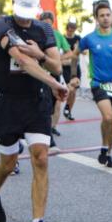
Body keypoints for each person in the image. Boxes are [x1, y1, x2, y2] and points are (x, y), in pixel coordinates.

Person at [0, 0, 68, 222]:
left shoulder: (44, 30)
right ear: (13, 4)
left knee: (40, 157)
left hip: (35, 103)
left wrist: (40, 53)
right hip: (5, 104)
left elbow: (55, 64)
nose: (24, 18)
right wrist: (55, 84)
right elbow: (23, 61)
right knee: (8, 164)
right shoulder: (2, 26)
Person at [75, 1, 112, 168]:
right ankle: (104, 147)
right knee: (107, 116)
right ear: (96, 18)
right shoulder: (89, 39)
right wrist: (74, 75)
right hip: (98, 83)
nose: (106, 18)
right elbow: (74, 55)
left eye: (108, 15)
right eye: (102, 15)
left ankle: (107, 151)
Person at [39, 10, 68, 143]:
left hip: (55, 73)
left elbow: (70, 52)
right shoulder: (35, 35)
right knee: (45, 103)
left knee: (57, 102)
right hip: (41, 73)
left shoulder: (58, 35)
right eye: (44, 24)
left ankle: (53, 127)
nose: (47, 28)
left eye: (49, 25)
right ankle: (45, 129)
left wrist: (58, 60)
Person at [61, 18, 82, 120]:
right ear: (67, 28)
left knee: (73, 91)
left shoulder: (78, 38)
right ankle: (64, 107)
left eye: (74, 28)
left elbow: (84, 52)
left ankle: (68, 109)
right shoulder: (62, 38)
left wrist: (78, 48)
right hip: (64, 67)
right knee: (69, 89)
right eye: (70, 28)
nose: (72, 30)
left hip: (74, 67)